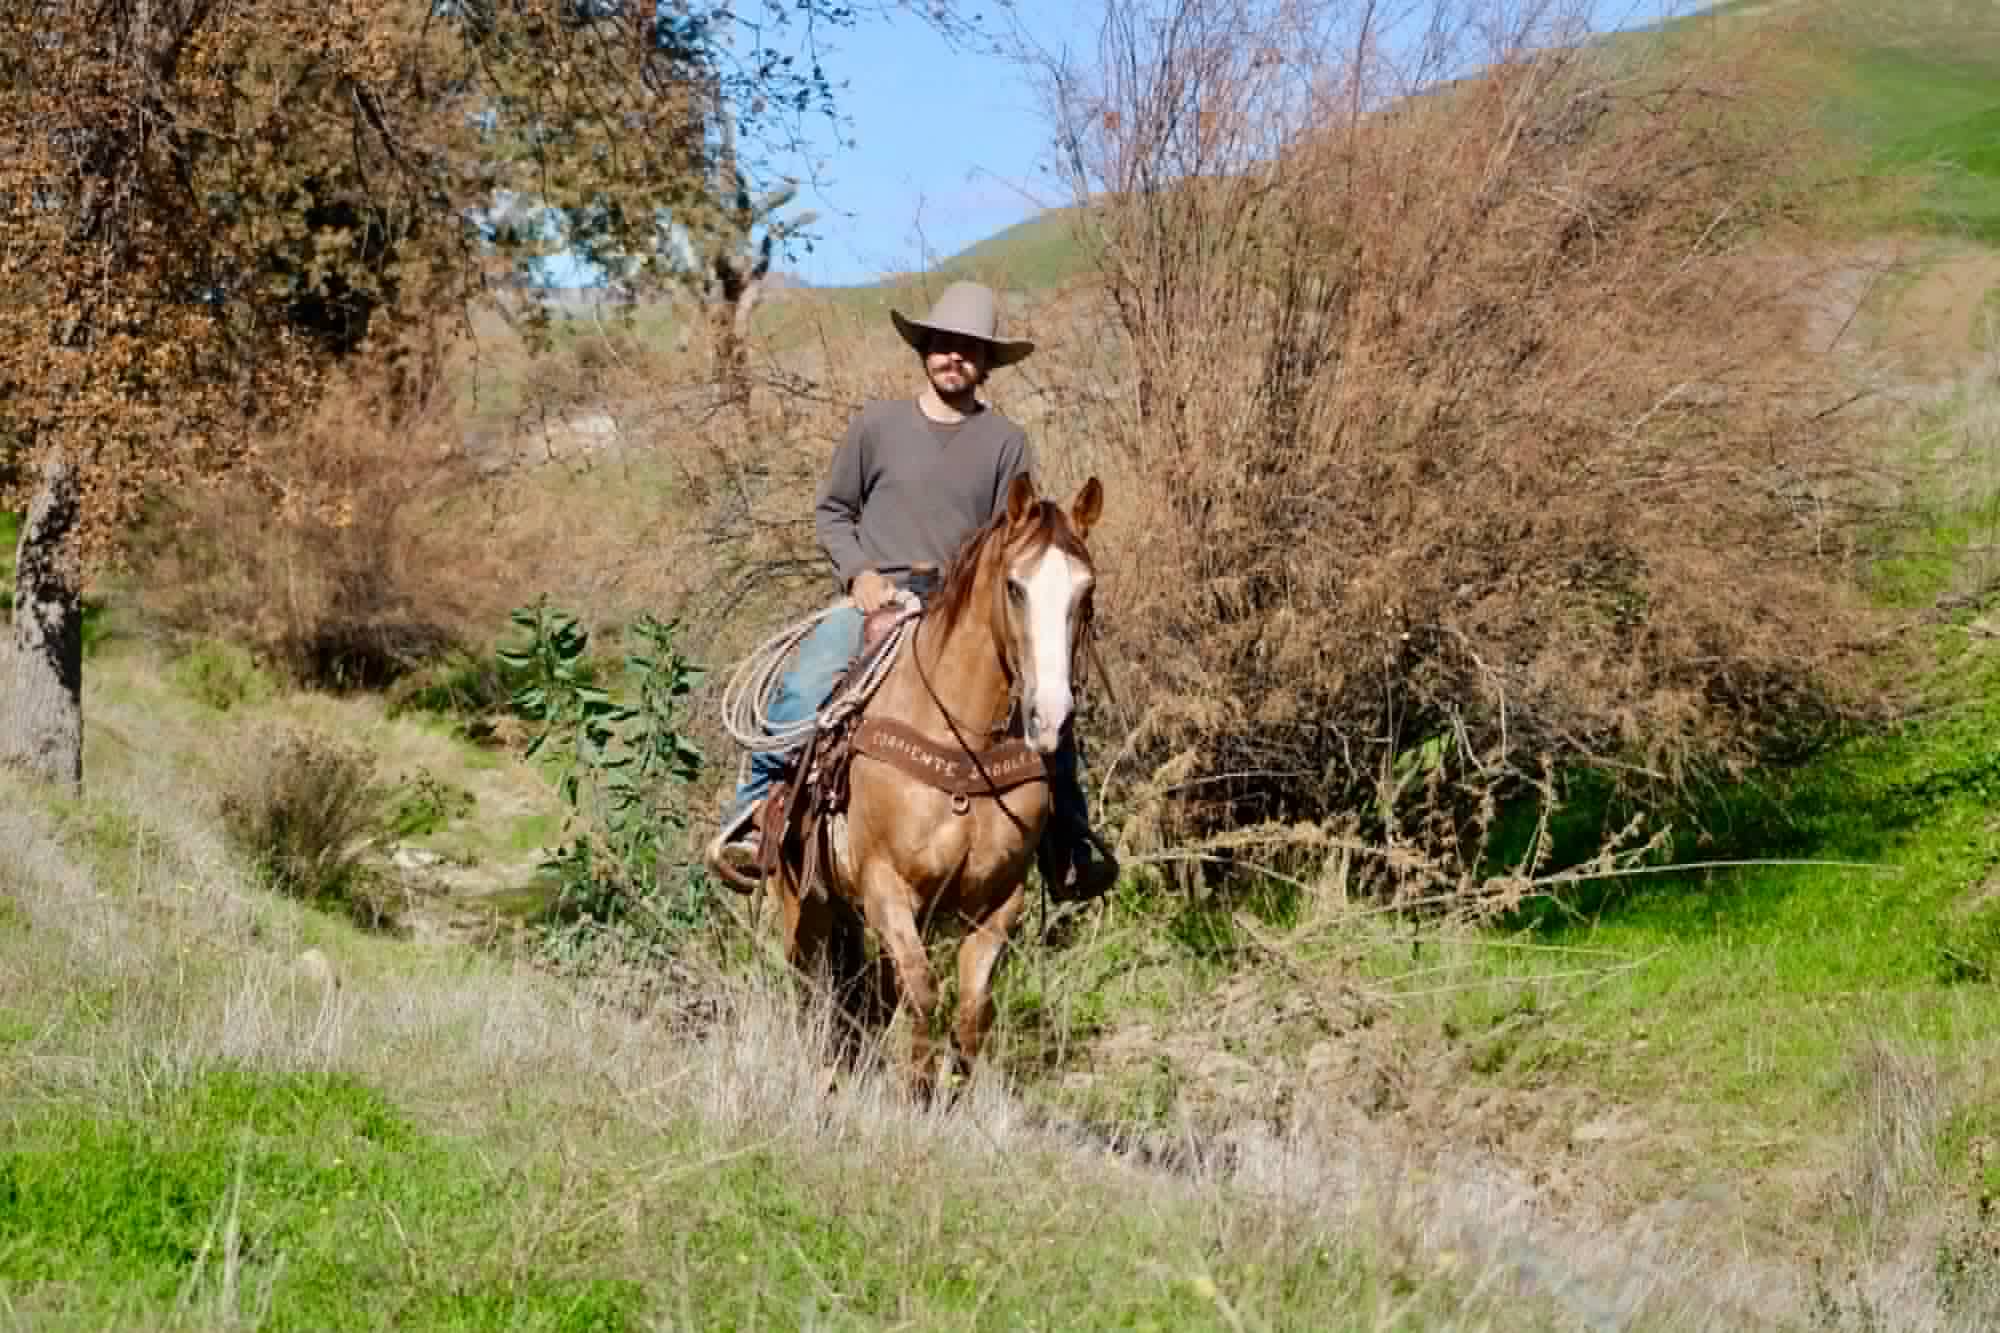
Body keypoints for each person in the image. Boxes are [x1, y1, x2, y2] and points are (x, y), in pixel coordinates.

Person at [705, 279, 1118, 902]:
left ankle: (1068, 841)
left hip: (962, 614)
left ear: (986, 363)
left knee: (1049, 700)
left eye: (970, 349)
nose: (956, 357)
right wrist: (859, 574)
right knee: (806, 682)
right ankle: (753, 818)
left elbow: (1013, 536)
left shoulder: (1006, 442)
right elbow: (833, 510)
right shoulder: (877, 425)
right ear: (925, 350)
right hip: (876, 600)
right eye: (945, 344)